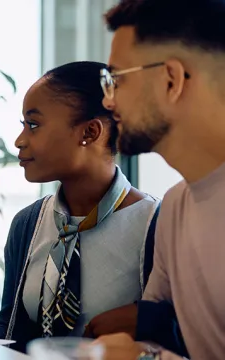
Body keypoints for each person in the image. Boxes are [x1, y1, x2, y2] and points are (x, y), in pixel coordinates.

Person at [0, 61, 160, 352]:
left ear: (89, 132)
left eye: (34, 125)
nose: (19, 141)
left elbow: (179, 338)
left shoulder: (156, 226)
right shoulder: (29, 223)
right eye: (23, 125)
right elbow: (17, 340)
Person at [93, 0, 225, 359]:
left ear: (171, 80)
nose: (108, 100)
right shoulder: (176, 207)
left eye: (116, 79)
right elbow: (155, 334)